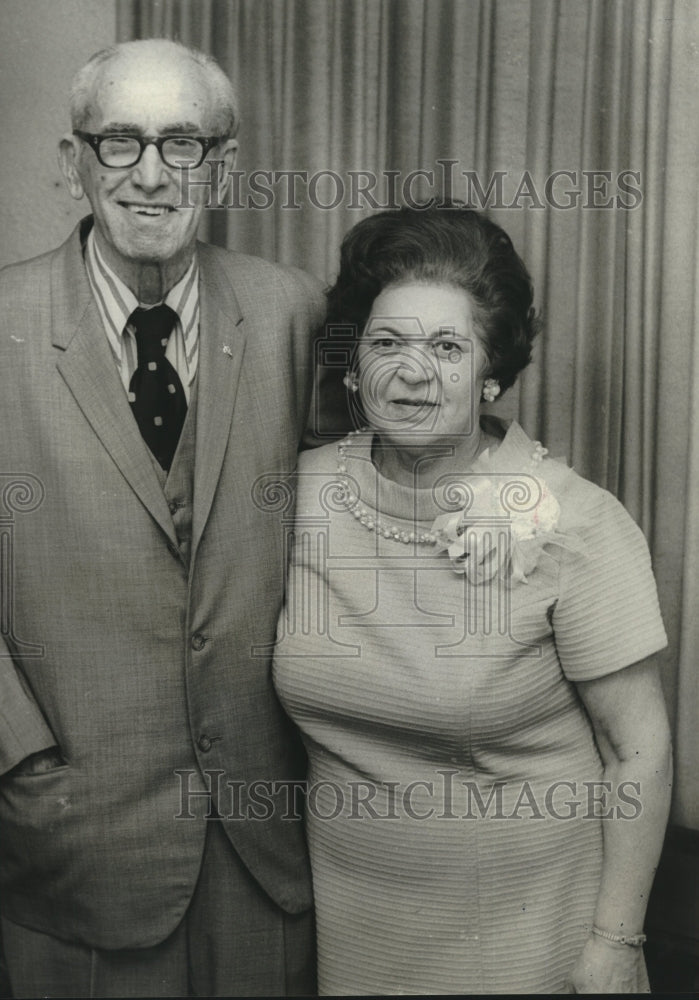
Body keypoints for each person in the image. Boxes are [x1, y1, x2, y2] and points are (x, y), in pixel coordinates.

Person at [0, 38, 331, 998]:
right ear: (73, 164)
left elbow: (376, 487)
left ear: (221, 167)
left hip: (266, 834)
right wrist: (18, 753)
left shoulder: (295, 316)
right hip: (78, 834)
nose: (150, 175)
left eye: (183, 144)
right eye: (119, 142)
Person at [273, 203, 673, 995]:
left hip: (530, 942)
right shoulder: (295, 500)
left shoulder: (573, 521)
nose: (411, 371)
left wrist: (614, 944)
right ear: (352, 366)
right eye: (385, 343)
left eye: (447, 348)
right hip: (354, 934)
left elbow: (640, 749)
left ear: (491, 374)